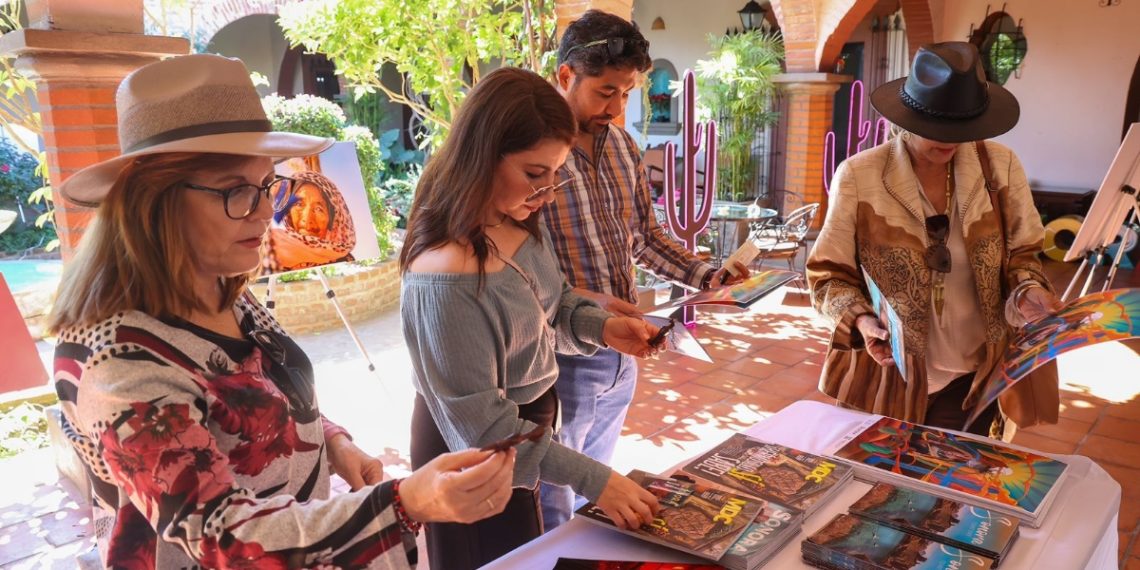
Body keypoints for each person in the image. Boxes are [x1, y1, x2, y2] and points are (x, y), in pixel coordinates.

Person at [47, 53, 516, 570]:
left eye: (267, 184)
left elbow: (261, 389)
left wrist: (332, 442)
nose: (268, 210)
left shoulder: (221, 286)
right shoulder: (117, 364)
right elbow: (222, 539)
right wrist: (409, 501)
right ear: (152, 202)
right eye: (236, 191)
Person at [400, 67, 663, 569]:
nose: (546, 191)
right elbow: (484, 434)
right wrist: (596, 479)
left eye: (555, 172)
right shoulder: (445, 276)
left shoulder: (511, 217)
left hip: (522, 441)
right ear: (482, 158)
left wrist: (601, 326)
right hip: (477, 458)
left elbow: (553, 302)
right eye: (534, 174)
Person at [538, 10, 751, 530]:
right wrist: (591, 306)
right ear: (567, 76)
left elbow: (646, 238)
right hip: (559, 354)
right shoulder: (534, 155)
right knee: (555, 493)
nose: (617, 107)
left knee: (600, 483)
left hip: (624, 352)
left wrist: (707, 276)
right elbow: (520, 270)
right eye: (605, 92)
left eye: (627, 92)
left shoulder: (624, 148)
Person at [806, 42, 1060, 437]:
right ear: (906, 116)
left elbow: (1024, 254)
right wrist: (861, 320)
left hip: (976, 375)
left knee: (952, 486)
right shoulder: (860, 176)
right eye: (937, 127)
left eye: (963, 128)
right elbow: (827, 276)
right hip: (889, 376)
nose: (950, 140)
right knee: (882, 486)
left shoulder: (1001, 165)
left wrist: (1028, 291)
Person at [262, 164, 357, 273]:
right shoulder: (270, 251)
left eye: (318, 209)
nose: (307, 219)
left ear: (333, 219)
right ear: (288, 213)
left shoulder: (345, 261)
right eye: (298, 204)